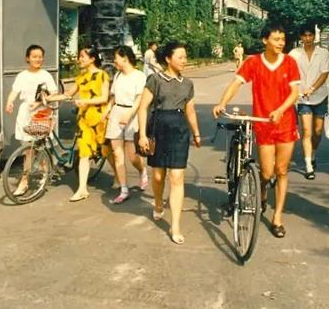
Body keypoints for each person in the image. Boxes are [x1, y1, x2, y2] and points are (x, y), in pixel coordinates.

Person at [213, 23, 300, 239]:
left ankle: (277, 217)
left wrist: (280, 110)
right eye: (276, 39)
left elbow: (295, 92)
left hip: (285, 123)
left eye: (282, 39)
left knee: (281, 171)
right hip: (262, 123)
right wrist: (222, 102)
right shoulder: (253, 62)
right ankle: (262, 193)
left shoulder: (289, 62)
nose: (281, 43)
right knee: (267, 172)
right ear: (265, 41)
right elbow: (236, 83)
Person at [138, 42, 201, 245]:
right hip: (158, 129)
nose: (185, 60)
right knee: (158, 176)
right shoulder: (155, 79)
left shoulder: (188, 84)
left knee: (176, 177)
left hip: (179, 131)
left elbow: (190, 110)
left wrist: (196, 133)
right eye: (180, 57)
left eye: (185, 57)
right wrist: (141, 135)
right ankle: (158, 203)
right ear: (168, 58)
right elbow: (142, 108)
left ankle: (175, 225)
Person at [5, 44, 58, 196]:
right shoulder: (22, 75)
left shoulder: (46, 75)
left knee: (40, 147)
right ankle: (25, 181)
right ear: (27, 58)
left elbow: (53, 94)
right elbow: (14, 92)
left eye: (40, 57)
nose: (38, 59)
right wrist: (9, 102)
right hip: (26, 113)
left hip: (41, 113)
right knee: (28, 149)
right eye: (34, 57)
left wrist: (40, 102)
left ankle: (43, 173)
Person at [65, 46, 111, 202]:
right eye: (79, 56)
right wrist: (47, 99)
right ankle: (82, 189)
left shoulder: (102, 75)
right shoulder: (81, 77)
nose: (80, 59)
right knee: (84, 153)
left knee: (107, 150)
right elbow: (68, 94)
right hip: (84, 121)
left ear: (92, 58)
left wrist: (85, 101)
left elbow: (104, 98)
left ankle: (121, 178)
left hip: (100, 119)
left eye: (82, 56)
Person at [104, 45, 149, 204]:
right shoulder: (117, 76)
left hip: (133, 115)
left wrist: (129, 114)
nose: (114, 61)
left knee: (133, 156)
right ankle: (124, 189)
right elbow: (113, 96)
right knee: (117, 154)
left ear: (125, 58)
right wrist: (108, 110)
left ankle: (142, 170)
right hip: (117, 113)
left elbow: (139, 99)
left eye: (116, 57)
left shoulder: (139, 76)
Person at [289, 25, 329, 180]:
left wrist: (312, 88)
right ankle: (308, 165)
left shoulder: (323, 53)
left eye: (310, 35)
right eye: (304, 35)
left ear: (315, 36)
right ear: (301, 37)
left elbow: (325, 74)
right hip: (302, 97)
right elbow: (286, 69)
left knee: (318, 131)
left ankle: (313, 153)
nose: (307, 38)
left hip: (320, 96)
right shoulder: (294, 53)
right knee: (307, 131)